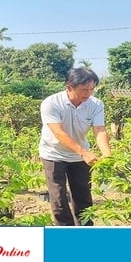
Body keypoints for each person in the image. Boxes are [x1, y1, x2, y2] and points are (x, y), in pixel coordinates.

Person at [39, 67, 111, 226]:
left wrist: (107, 155)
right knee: (58, 198)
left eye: (92, 89)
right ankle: (66, 234)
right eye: (84, 89)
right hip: (53, 154)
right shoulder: (51, 103)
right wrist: (84, 152)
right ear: (69, 87)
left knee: (83, 197)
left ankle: (85, 234)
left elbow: (99, 130)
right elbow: (59, 132)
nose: (89, 93)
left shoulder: (96, 104)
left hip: (79, 156)